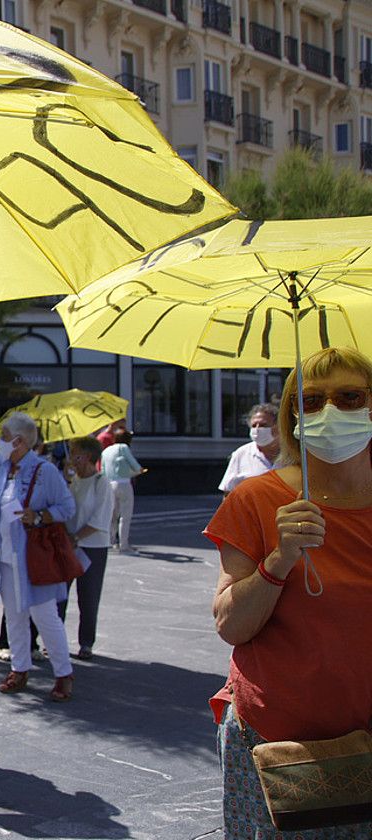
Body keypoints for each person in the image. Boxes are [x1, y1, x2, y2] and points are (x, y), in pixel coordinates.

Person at [206, 346, 372, 837]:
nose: (330, 412)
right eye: (312, 401)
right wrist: (280, 559)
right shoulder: (257, 500)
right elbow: (230, 624)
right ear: (292, 414)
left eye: (349, 396)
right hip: (281, 744)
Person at [0, 412, 79, 702]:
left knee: (45, 616)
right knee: (14, 615)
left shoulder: (44, 470)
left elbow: (67, 506)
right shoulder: (2, 466)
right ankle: (19, 667)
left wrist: (38, 516)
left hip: (32, 557)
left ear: (20, 441)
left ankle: (63, 674)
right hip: (4, 556)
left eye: (3, 437)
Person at [64, 436, 113, 660]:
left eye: (77, 454)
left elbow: (99, 520)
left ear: (90, 457)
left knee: (88, 596)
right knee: (59, 594)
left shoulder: (101, 482)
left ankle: (86, 643)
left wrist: (76, 537)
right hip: (69, 545)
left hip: (92, 546)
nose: (73, 458)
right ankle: (56, 639)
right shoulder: (73, 481)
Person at [218, 403, 280, 495]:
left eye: (263, 425)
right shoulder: (241, 454)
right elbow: (228, 493)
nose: (257, 429)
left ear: (278, 427)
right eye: (254, 425)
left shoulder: (293, 454)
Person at [100, 430, 144, 554]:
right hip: (124, 484)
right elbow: (133, 464)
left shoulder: (106, 451)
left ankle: (110, 541)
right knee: (125, 516)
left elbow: (102, 470)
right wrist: (139, 469)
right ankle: (124, 545)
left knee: (112, 515)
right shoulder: (123, 447)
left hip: (109, 484)